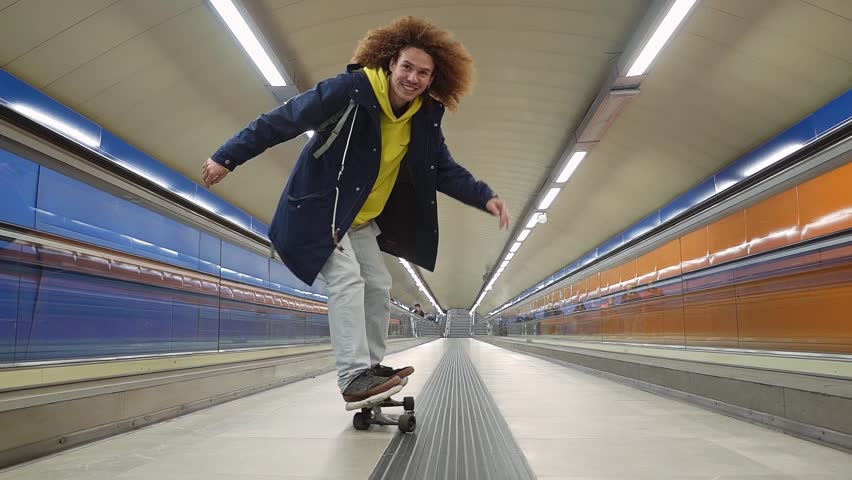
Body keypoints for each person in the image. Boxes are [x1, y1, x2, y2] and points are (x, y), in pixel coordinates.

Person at [202, 16, 510, 404]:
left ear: (433, 79)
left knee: (378, 284)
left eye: (423, 73)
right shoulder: (351, 91)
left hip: (360, 220)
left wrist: (484, 196)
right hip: (320, 211)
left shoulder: (424, 118)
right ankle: (352, 377)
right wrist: (227, 156)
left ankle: (369, 369)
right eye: (407, 67)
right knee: (347, 280)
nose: (412, 78)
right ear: (390, 64)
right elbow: (286, 118)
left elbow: (442, 169)